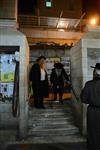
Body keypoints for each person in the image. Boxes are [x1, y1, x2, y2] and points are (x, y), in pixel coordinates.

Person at [80, 63, 100, 150]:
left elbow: (84, 99)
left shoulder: (89, 84)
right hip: (94, 110)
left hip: (93, 111)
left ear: (95, 72)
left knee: (93, 133)